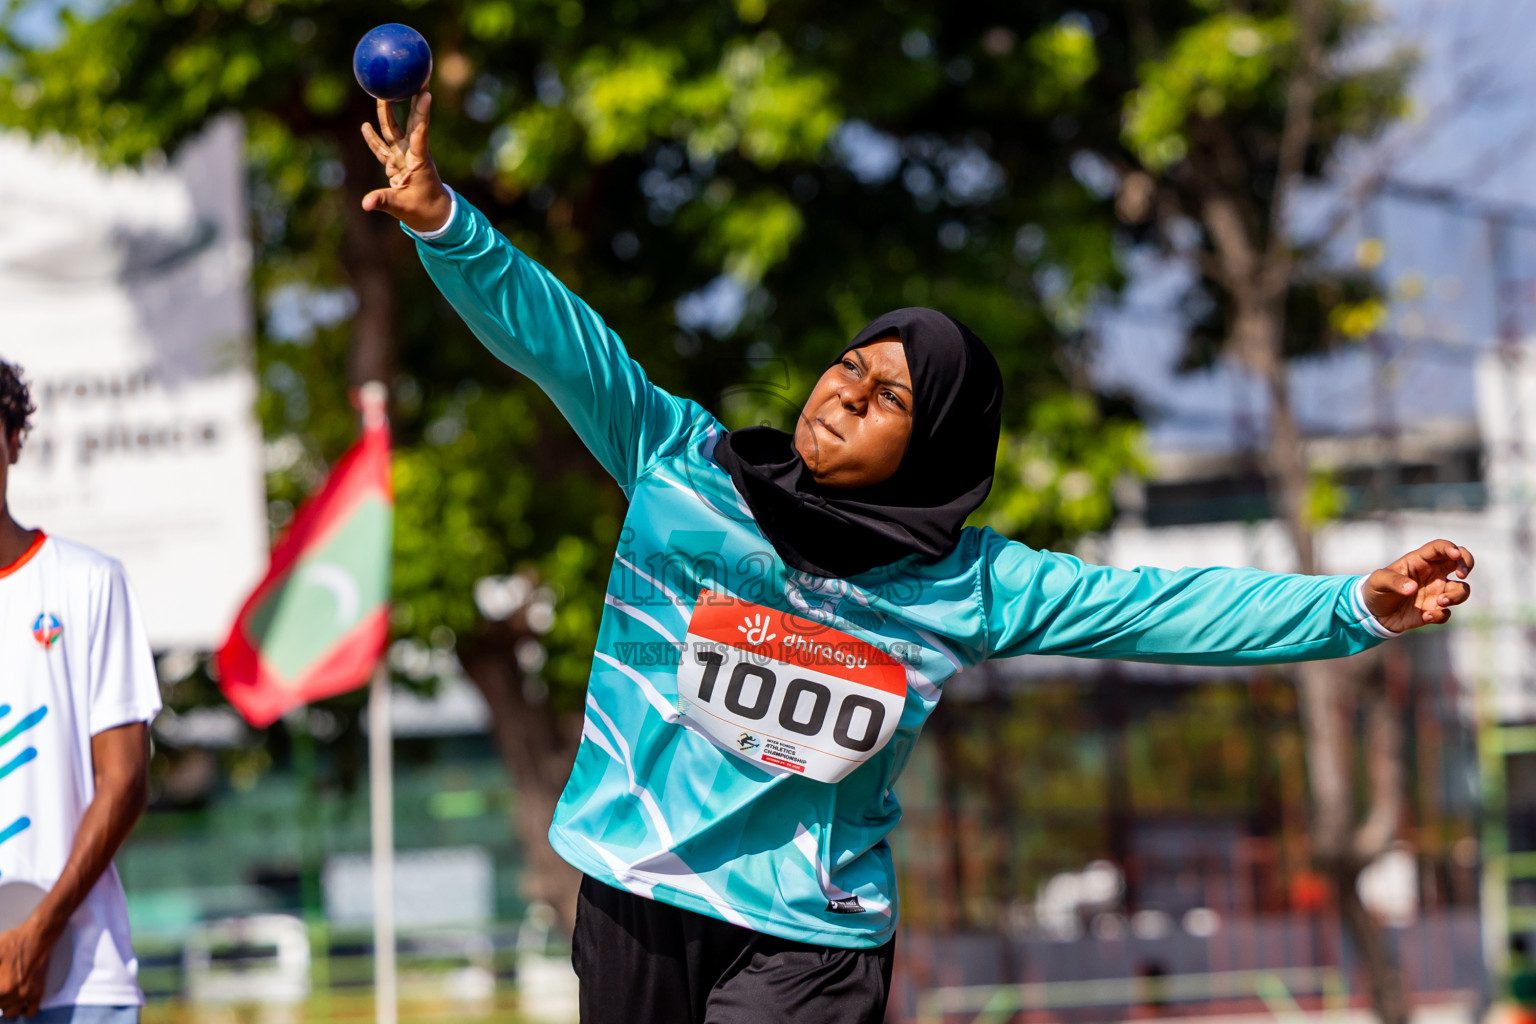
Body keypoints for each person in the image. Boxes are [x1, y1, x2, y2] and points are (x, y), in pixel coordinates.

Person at [360, 94, 1474, 1024]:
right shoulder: (681, 465)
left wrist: (1354, 605)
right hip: (636, 890)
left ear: (930, 447)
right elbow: (563, 342)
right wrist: (446, 222)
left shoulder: (965, 585)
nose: (845, 393)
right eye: (848, 366)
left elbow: (1161, 606)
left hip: (810, 936)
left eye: (889, 397)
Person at [0, 361, 161, 1023]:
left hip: (83, 985)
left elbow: (124, 782)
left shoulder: (88, 581)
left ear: (12, 439)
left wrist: (38, 931)